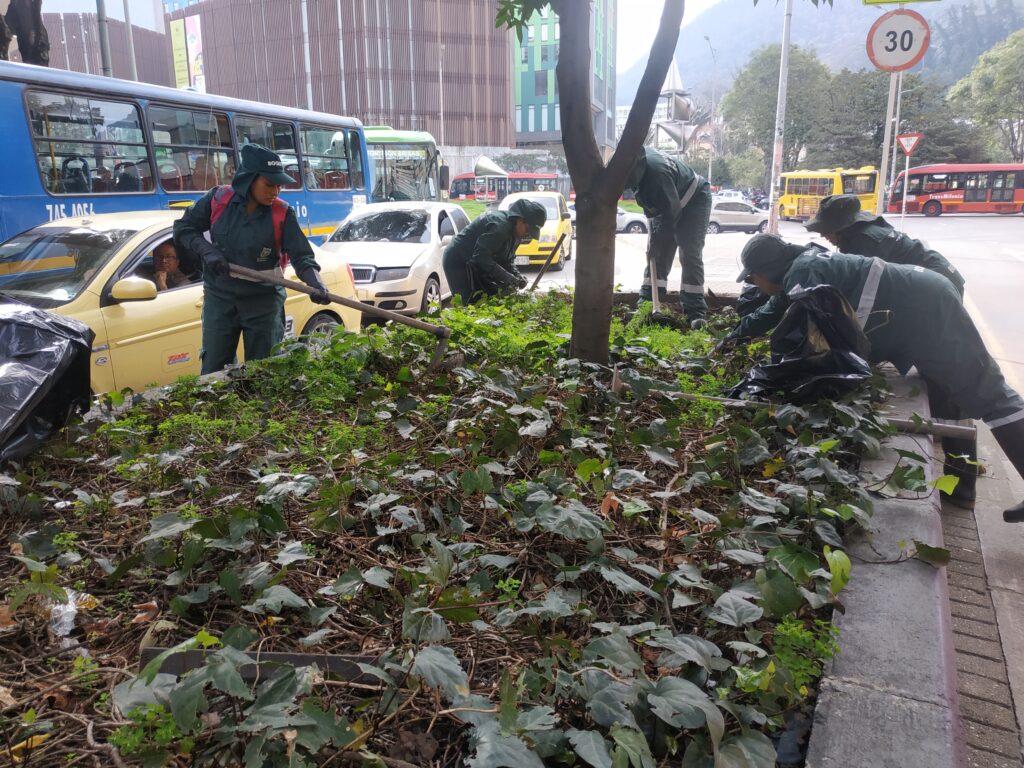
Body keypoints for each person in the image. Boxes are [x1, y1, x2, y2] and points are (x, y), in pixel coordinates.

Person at [722, 234, 1024, 522]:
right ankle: (962, 488)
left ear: (767, 269)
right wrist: (734, 336)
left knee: (988, 393)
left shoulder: (805, 274)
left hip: (925, 308)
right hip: (918, 305)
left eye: (752, 278)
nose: (754, 285)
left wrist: (774, 376)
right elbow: (774, 311)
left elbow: (801, 338)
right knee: (948, 390)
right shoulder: (802, 267)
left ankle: (964, 485)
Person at [173, 143, 331, 375]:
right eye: (269, 184)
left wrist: (315, 282)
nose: (275, 191)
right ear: (249, 179)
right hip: (220, 296)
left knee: (263, 371)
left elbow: (302, 256)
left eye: (279, 185)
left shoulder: (282, 213)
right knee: (214, 369)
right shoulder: (218, 200)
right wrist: (207, 251)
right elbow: (184, 228)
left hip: (263, 301)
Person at [805, 194, 964, 296]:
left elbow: (863, 289)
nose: (822, 235)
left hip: (938, 281)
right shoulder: (867, 231)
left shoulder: (865, 242)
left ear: (842, 228)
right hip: (938, 273)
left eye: (826, 230)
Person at [624, 147, 712, 327]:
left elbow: (671, 216)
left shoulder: (657, 177)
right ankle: (647, 303)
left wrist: (657, 242)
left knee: (689, 252)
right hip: (671, 198)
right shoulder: (630, 159)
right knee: (657, 255)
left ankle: (695, 312)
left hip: (695, 198)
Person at [442, 198, 546, 304]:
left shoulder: (516, 234)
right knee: (468, 302)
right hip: (457, 259)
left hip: (475, 260)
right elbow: (480, 257)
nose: (527, 234)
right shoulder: (500, 227)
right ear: (520, 219)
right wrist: (507, 277)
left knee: (488, 298)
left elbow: (507, 260)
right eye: (528, 230)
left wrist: (517, 276)